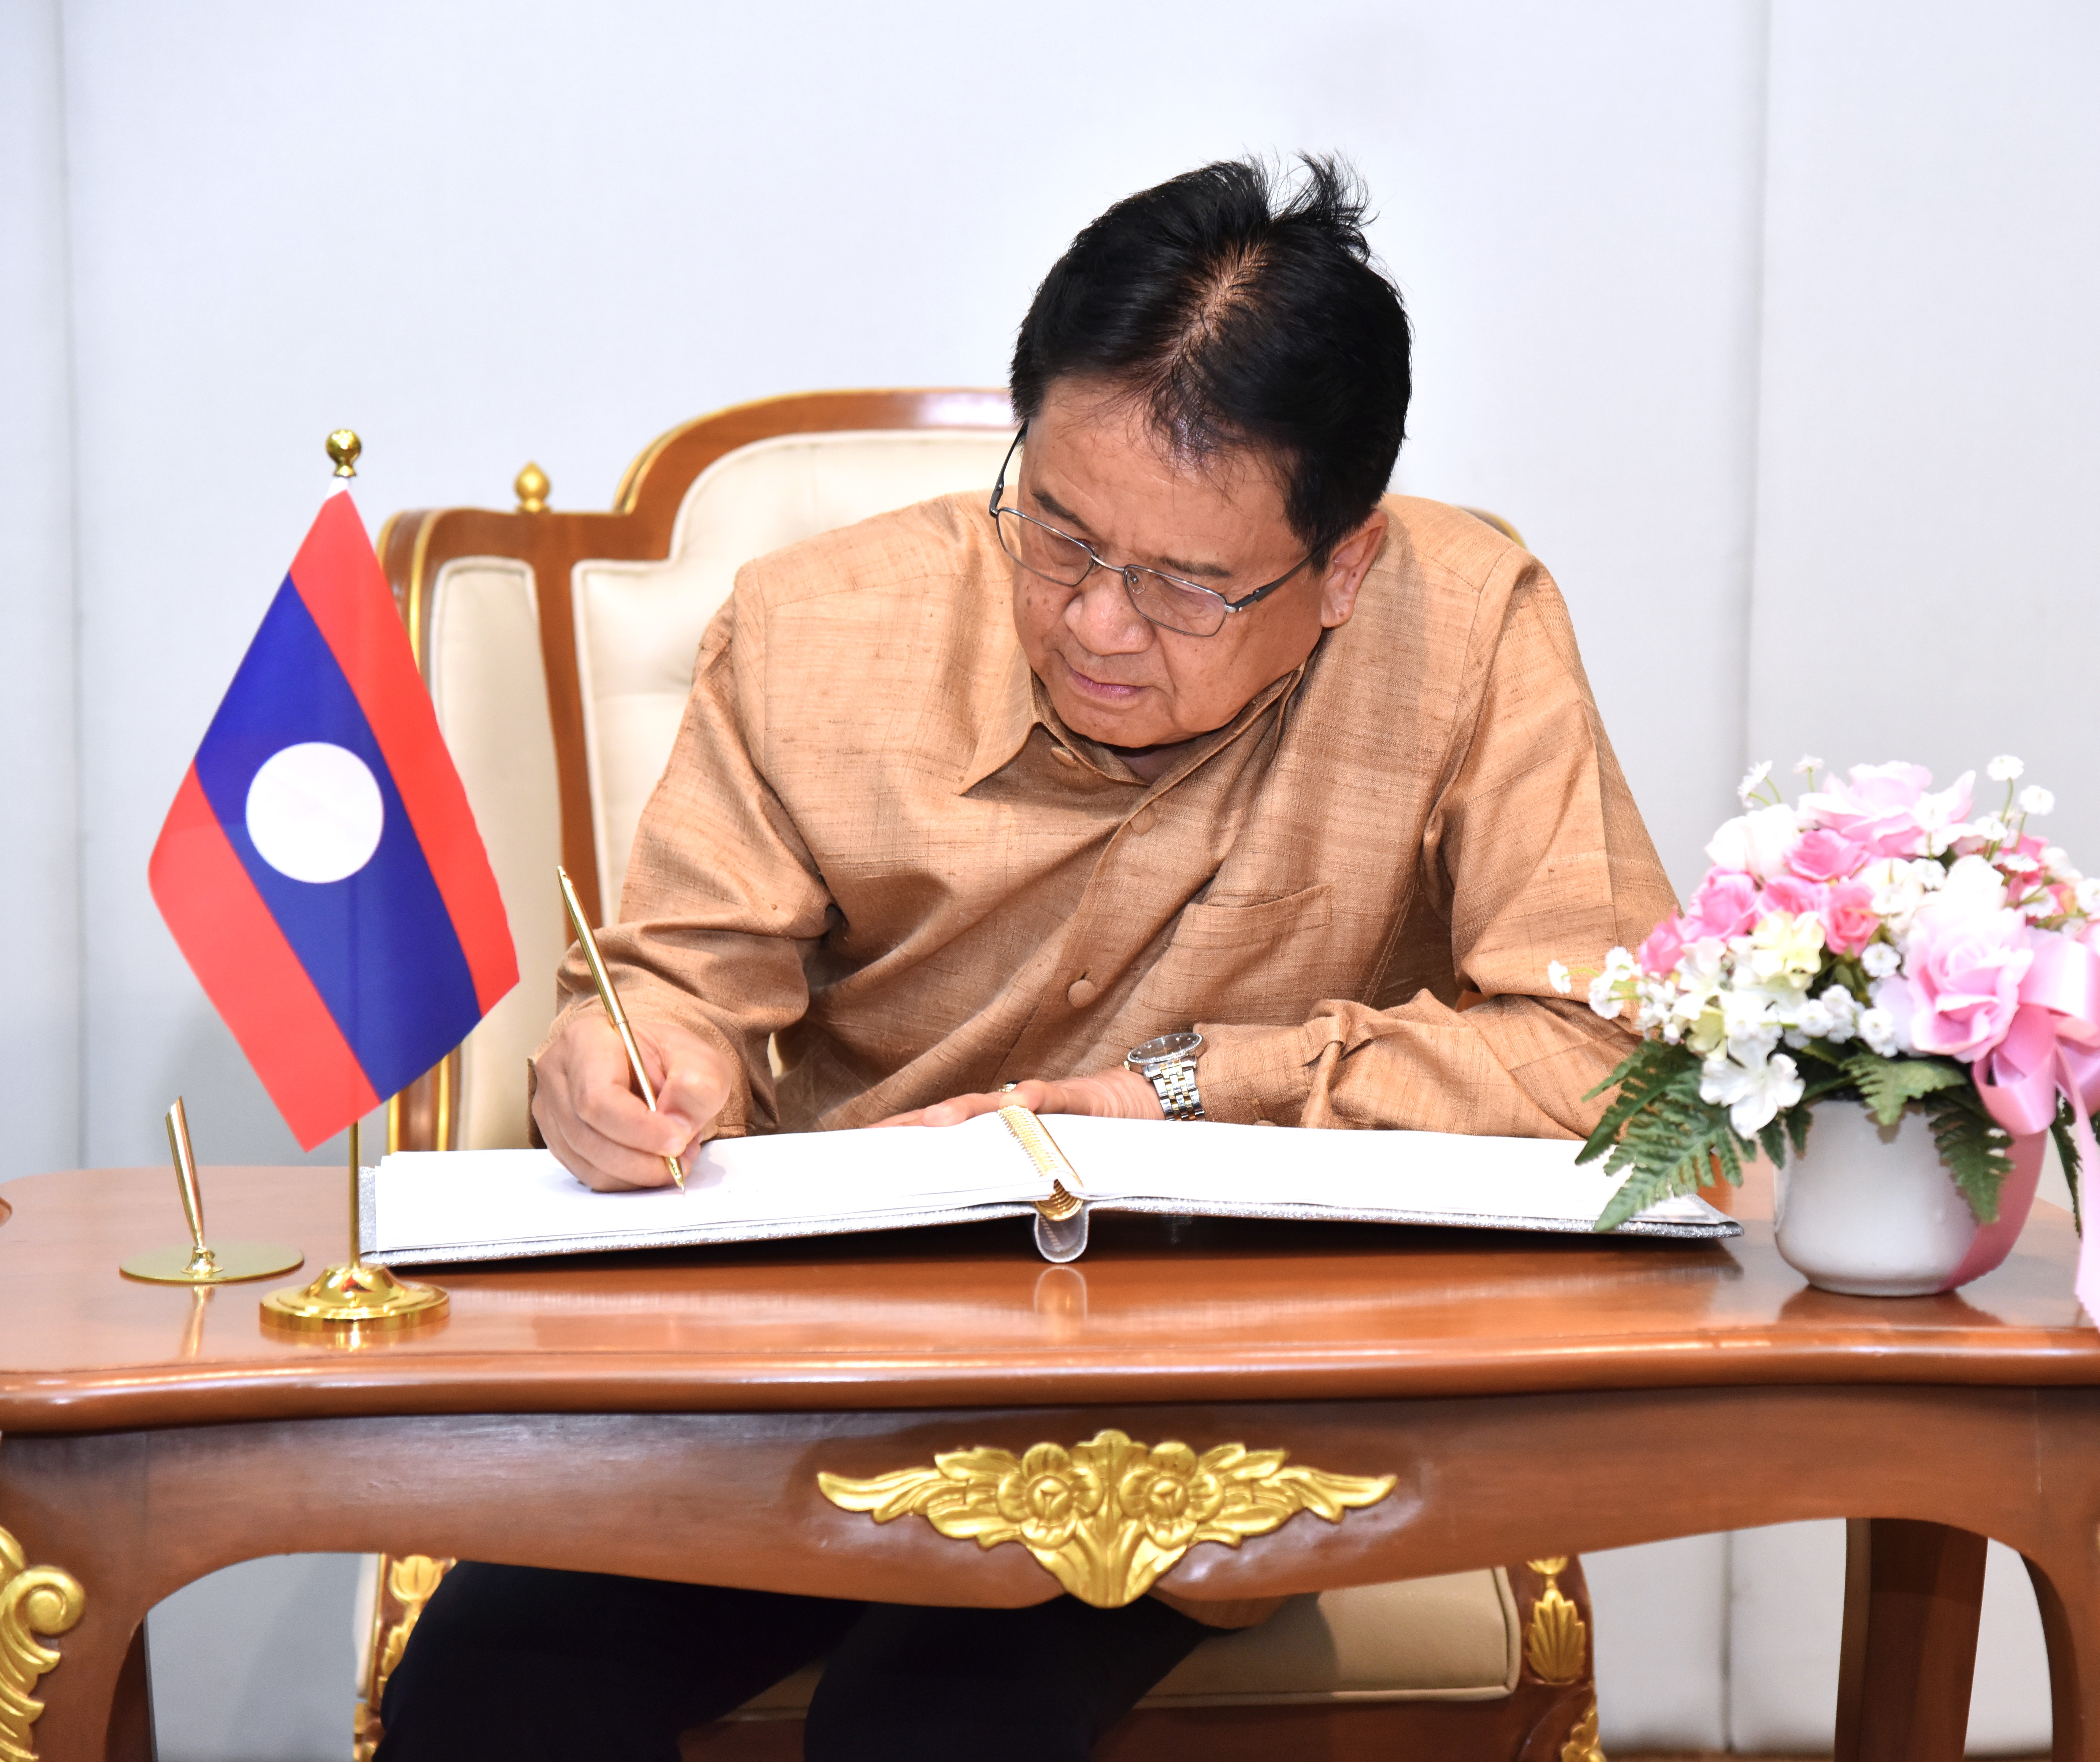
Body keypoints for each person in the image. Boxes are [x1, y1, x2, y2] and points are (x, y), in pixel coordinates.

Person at [377, 155, 1675, 1762]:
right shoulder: (814, 629)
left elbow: (1618, 1061)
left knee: (933, 1724)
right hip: (832, 1357)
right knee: (485, 1686)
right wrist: (632, 1054)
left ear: (1342, 567)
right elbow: (675, 984)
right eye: (1058, 534)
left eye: (1187, 585)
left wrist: (1185, 1094)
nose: (1097, 624)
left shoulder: (1469, 631)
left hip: (1219, 1381)